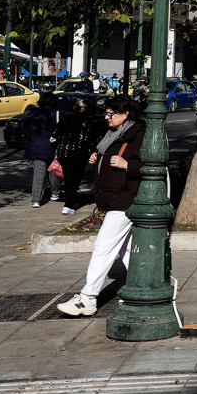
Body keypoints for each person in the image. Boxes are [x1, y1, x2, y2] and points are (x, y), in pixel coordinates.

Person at [57, 95, 146, 316]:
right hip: (115, 197)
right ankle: (148, 288)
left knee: (103, 248)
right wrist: (99, 157)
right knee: (126, 251)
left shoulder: (138, 133)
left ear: (126, 114)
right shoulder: (114, 133)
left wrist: (128, 166)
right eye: (105, 113)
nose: (107, 117)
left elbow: (153, 163)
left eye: (111, 114)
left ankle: (88, 298)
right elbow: (111, 153)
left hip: (125, 198)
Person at [52, 98, 99, 215]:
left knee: (68, 177)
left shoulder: (66, 118)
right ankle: (68, 204)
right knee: (75, 177)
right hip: (79, 153)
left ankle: (72, 200)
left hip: (64, 152)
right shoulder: (88, 122)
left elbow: (54, 133)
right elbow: (93, 139)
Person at [22, 92, 62, 208]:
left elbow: (25, 130)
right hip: (52, 146)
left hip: (36, 146)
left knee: (38, 173)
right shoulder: (57, 115)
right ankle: (55, 192)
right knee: (53, 170)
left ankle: (36, 199)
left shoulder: (33, 114)